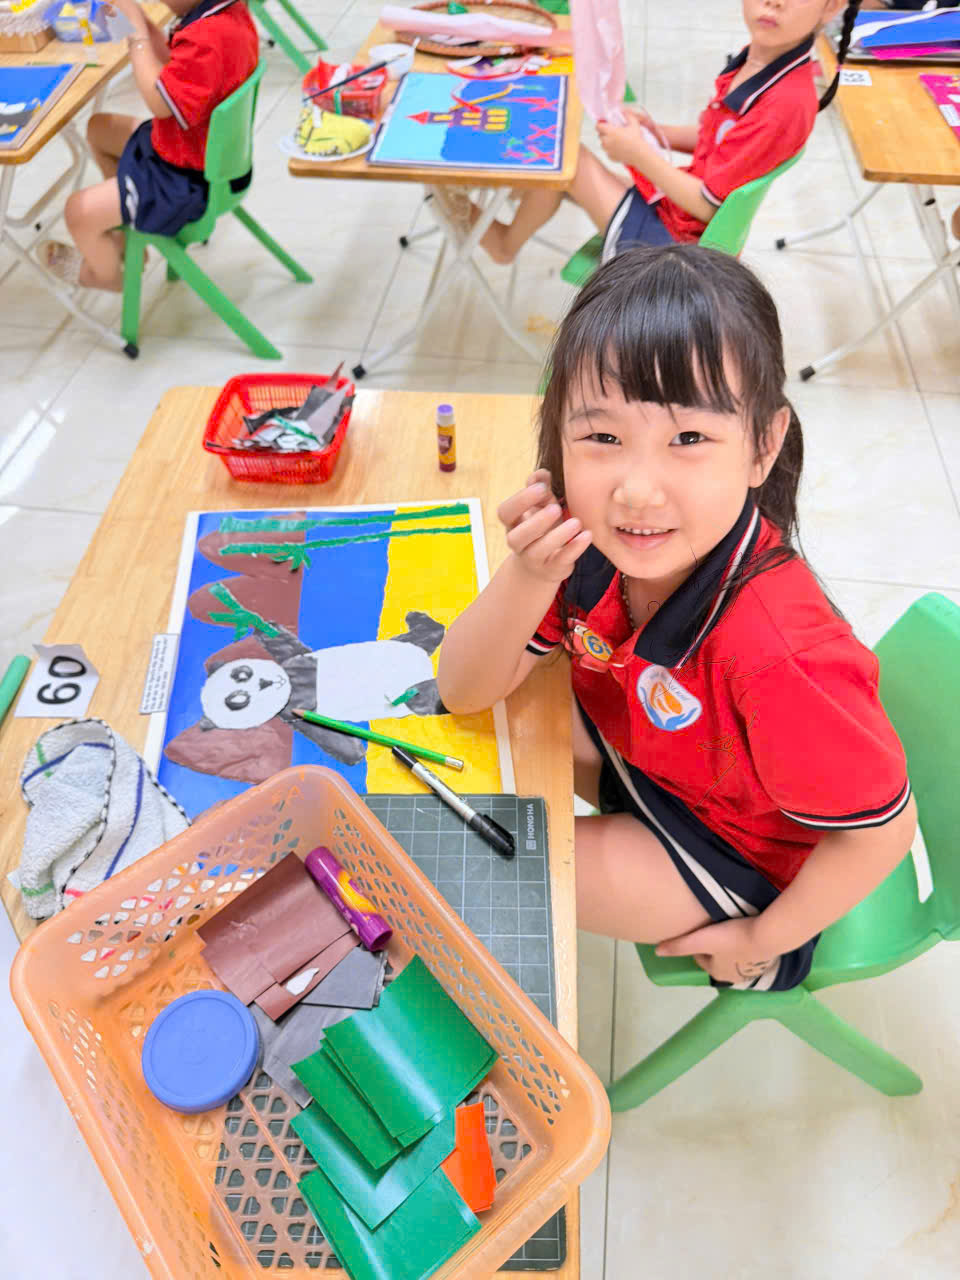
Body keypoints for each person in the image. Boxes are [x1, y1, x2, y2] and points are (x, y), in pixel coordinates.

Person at [436, 245, 917, 991]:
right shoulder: (595, 544)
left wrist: (762, 937)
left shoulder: (780, 652)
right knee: (456, 756)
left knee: (467, 866)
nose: (635, 491)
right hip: (651, 760)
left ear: (763, 446)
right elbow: (463, 689)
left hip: (734, 853)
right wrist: (529, 573)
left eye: (688, 439)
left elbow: (884, 833)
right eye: (602, 437)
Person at [470, 0, 860, 266]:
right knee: (558, 162)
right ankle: (521, 193)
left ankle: (504, 245)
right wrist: (656, 132)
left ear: (832, 7)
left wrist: (638, 152)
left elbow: (708, 206)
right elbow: (719, 139)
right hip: (684, 221)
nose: (773, 3)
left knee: (566, 160)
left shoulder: (784, 102)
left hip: (679, 249)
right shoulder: (762, 60)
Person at [39, 0, 259, 291]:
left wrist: (138, 37)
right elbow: (173, 63)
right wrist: (137, 19)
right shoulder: (225, 14)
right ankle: (128, 234)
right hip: (202, 152)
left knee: (78, 212)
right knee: (100, 128)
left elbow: (159, 103)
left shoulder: (208, 38)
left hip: (187, 181)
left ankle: (108, 278)